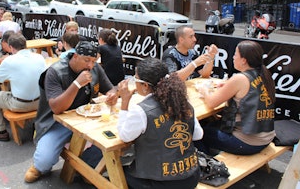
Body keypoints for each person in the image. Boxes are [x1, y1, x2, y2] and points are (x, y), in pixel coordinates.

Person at [24, 41, 118, 183]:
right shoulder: (55, 72)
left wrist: (112, 95)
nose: (90, 65)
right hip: (57, 122)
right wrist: (77, 84)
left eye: (94, 61)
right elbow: (56, 108)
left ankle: (91, 167)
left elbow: (109, 88)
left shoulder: (95, 68)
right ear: (75, 56)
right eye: (87, 60)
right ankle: (39, 166)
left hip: (87, 119)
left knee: (113, 139)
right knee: (44, 162)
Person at [117, 58, 203, 188]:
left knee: (119, 172)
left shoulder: (141, 111)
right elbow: (198, 135)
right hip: (191, 176)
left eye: (136, 80)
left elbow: (124, 136)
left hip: (160, 183)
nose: (134, 84)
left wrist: (124, 103)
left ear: (145, 85)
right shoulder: (183, 101)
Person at [197, 40, 275, 155]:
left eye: (235, 55)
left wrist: (204, 90)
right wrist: (228, 85)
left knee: (196, 134)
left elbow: (211, 103)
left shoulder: (240, 78)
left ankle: (208, 166)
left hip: (247, 143)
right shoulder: (264, 73)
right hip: (266, 137)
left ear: (243, 60)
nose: (233, 57)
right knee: (211, 124)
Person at [0, 33, 47, 141]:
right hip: (40, 102)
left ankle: (1, 131)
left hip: (20, 104)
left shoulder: (9, 61)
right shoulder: (39, 57)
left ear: (11, 47)